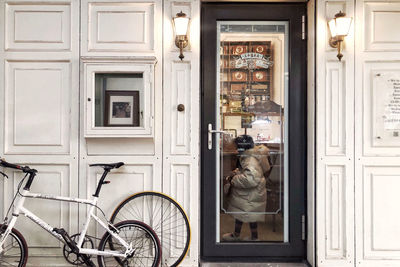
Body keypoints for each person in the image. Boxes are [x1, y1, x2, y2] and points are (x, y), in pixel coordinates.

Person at [222, 134, 270, 241]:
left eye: (236, 147)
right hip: (252, 194)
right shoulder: (251, 157)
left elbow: (250, 179)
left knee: (247, 216)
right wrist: (239, 172)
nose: (235, 149)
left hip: (250, 195)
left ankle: (250, 237)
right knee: (242, 215)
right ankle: (241, 235)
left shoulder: (250, 160)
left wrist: (233, 179)